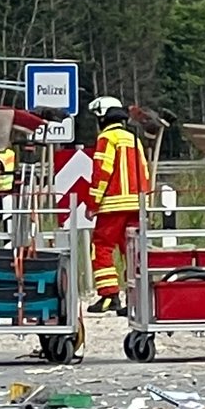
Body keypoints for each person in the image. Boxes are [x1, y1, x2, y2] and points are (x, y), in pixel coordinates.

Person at [84, 95, 151, 314]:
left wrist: (93, 203)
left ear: (102, 117)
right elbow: (145, 171)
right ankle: (135, 298)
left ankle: (109, 295)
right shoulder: (133, 139)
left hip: (113, 205)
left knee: (102, 246)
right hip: (136, 204)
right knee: (131, 251)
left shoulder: (107, 138)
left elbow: (102, 172)